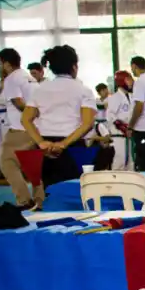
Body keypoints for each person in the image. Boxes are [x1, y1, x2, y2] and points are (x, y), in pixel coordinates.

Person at [21, 45, 97, 188]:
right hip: (72, 145)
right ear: (74, 67)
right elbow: (87, 123)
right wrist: (63, 144)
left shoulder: (39, 89)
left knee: (49, 190)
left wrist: (41, 142)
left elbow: (26, 119)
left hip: (45, 146)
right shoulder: (83, 90)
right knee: (75, 190)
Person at [0, 48, 46, 209]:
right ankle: (39, 200)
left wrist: (30, 115)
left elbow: (19, 103)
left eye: (1, 63)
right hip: (37, 129)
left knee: (7, 162)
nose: (0, 67)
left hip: (20, 128)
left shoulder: (12, 79)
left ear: (6, 63)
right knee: (32, 166)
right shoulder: (29, 78)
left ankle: (24, 199)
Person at [106, 71, 135, 171]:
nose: (131, 82)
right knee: (119, 164)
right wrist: (122, 127)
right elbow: (110, 116)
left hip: (130, 136)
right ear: (121, 81)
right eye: (128, 80)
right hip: (118, 137)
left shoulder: (132, 97)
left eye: (131, 79)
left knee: (131, 165)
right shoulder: (114, 98)